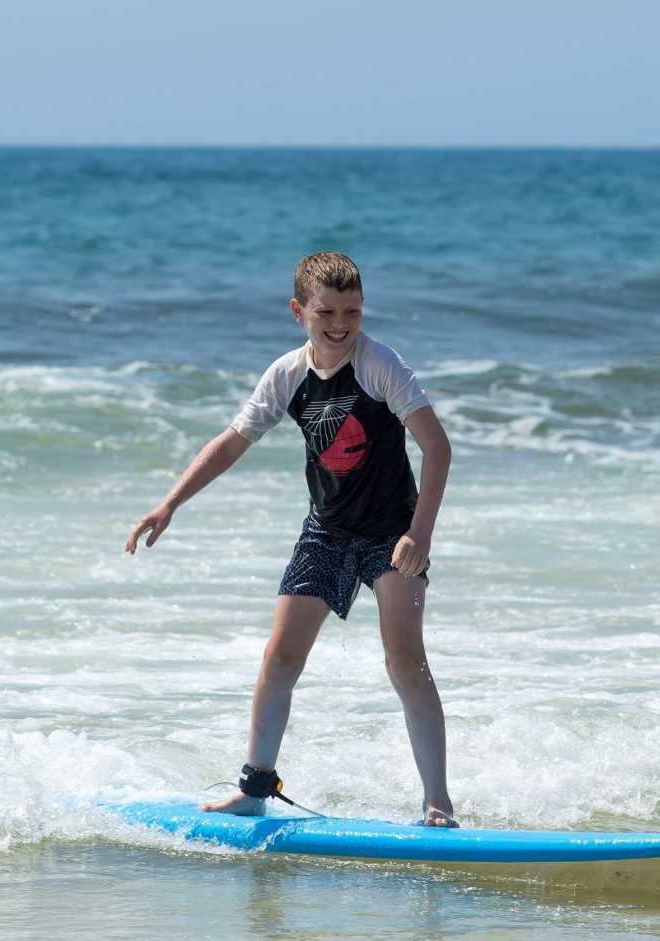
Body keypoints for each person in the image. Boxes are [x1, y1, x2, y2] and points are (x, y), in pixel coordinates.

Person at [124, 252, 457, 827]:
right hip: (325, 532)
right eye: (326, 311)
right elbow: (232, 441)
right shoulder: (287, 374)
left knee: (405, 659)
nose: (340, 323)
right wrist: (170, 502)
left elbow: (437, 447)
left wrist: (419, 534)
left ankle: (437, 802)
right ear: (298, 311)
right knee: (280, 656)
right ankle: (254, 787)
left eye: (352, 311)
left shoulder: (380, 365)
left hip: (391, 533)